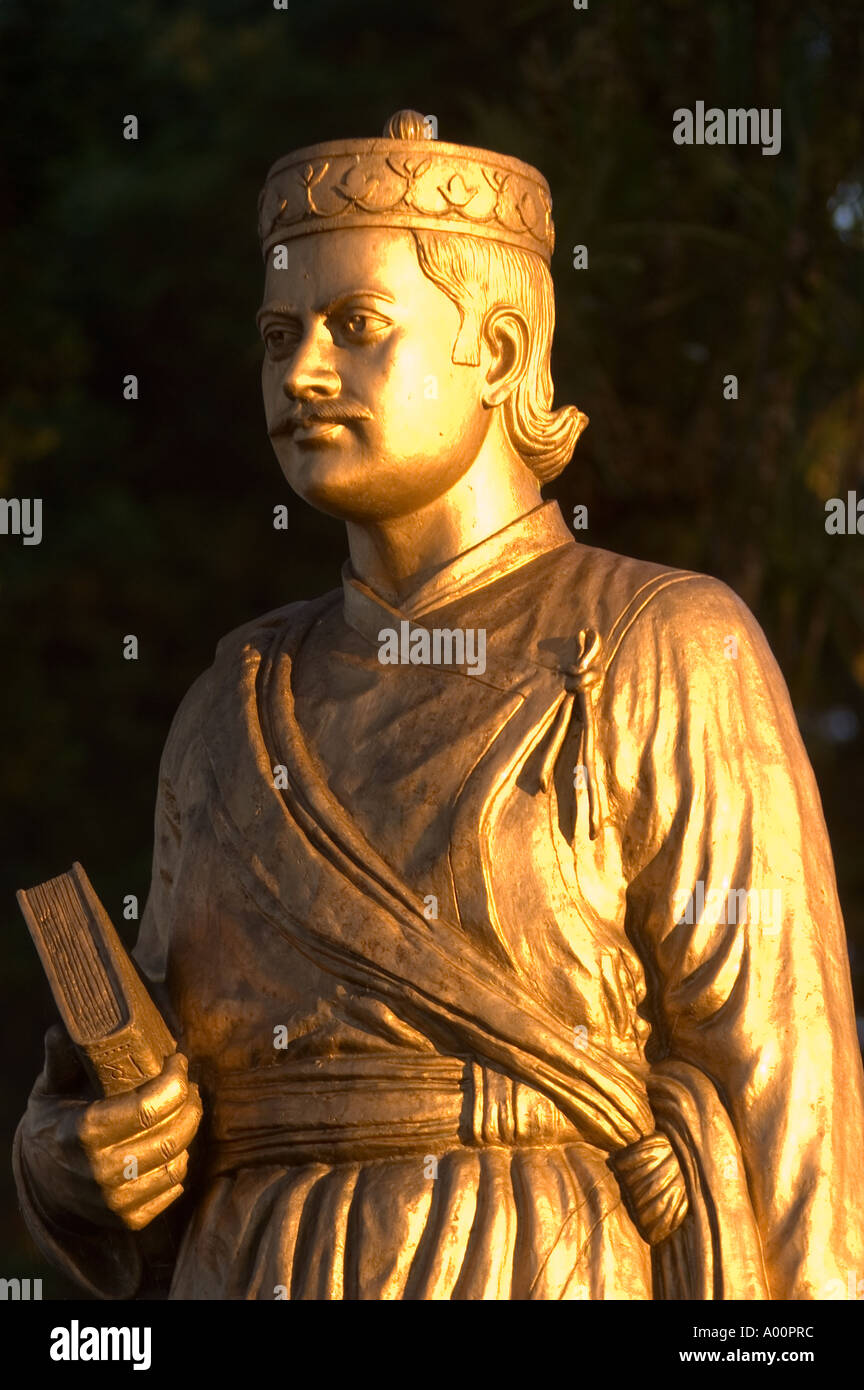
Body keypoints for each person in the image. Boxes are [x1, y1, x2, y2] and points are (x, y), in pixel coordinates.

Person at [14, 110, 864, 1300]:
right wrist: (76, 1158)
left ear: (504, 353)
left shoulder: (660, 642)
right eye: (276, 334)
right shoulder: (230, 707)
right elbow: (163, 1107)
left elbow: (781, 1089)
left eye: (356, 327)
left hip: (537, 1261)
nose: (301, 372)